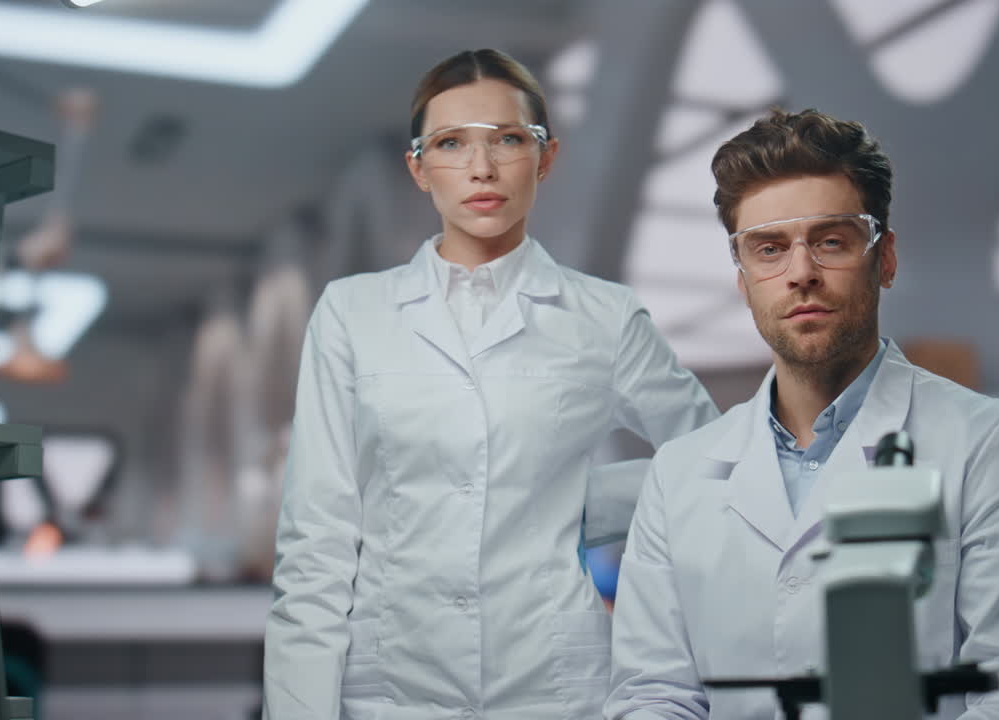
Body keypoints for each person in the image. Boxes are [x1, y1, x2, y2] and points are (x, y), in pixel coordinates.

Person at [262, 49, 719, 720]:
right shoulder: (351, 313)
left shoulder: (603, 317)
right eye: (451, 144)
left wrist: (583, 503)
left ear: (546, 158)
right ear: (419, 168)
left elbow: (712, 463)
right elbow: (317, 538)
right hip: (389, 688)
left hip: (558, 687)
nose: (481, 169)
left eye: (508, 140)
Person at [605, 108, 999, 719]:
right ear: (743, 279)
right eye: (769, 249)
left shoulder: (993, 447)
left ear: (884, 259)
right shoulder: (678, 475)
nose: (801, 273)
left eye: (831, 241)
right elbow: (654, 695)